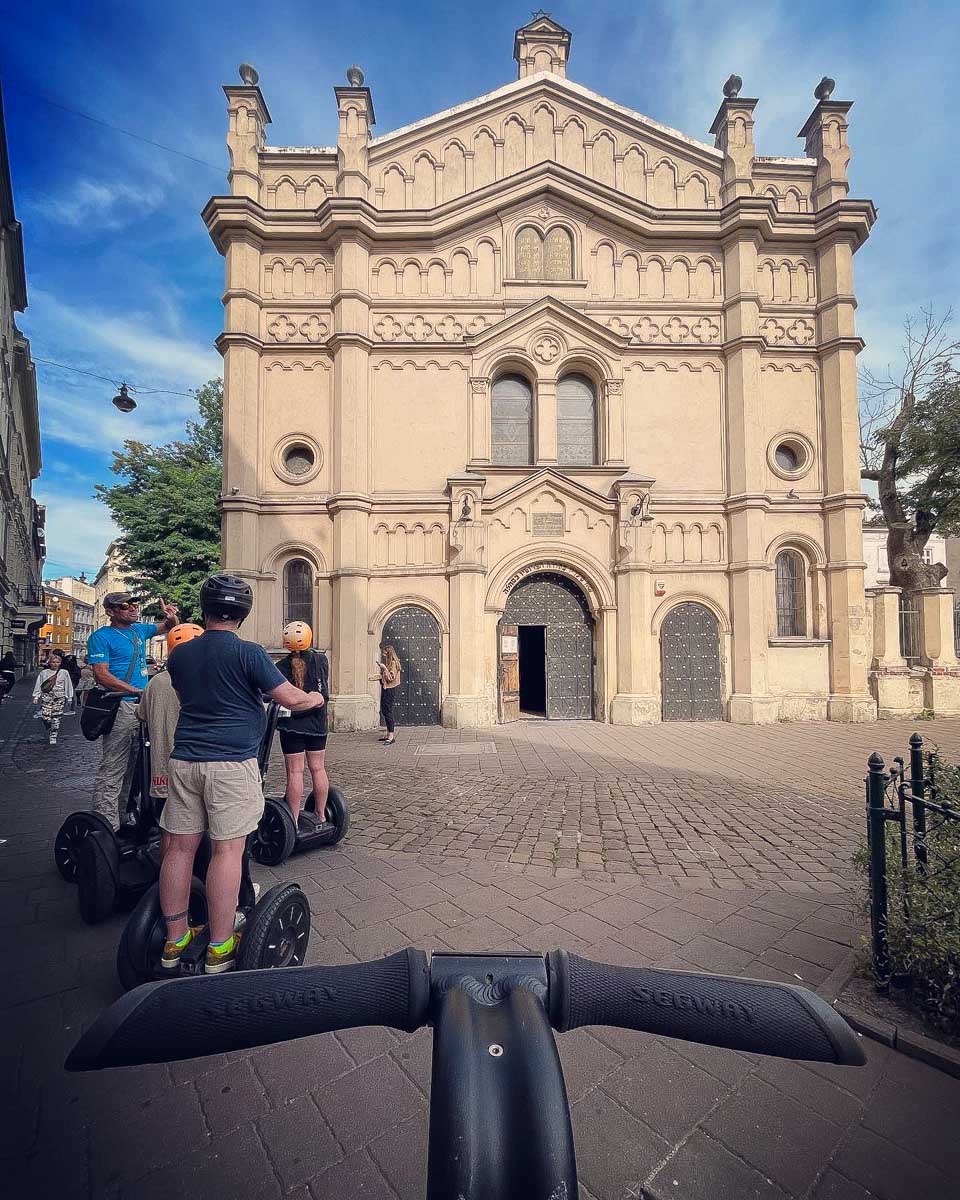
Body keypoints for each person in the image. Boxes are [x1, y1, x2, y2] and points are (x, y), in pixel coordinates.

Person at [158, 574, 323, 974]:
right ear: (242, 613)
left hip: (185, 761)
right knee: (226, 851)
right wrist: (314, 697)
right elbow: (291, 698)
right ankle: (219, 944)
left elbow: (193, 697)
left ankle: (175, 938)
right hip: (231, 763)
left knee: (179, 849)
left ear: (206, 609)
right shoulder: (249, 653)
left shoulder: (179, 656)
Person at [87, 592, 180, 830]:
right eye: (125, 606)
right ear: (110, 611)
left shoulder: (139, 630)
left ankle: (124, 815)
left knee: (137, 767)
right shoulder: (101, 637)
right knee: (114, 766)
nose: (132, 609)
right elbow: (102, 674)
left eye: (134, 604)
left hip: (142, 706)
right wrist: (137, 691)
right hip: (121, 705)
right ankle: (106, 826)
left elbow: (169, 628)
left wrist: (170, 616)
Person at [137, 624, 204, 805]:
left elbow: (141, 714)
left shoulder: (156, 681)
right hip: (201, 761)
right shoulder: (211, 676)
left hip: (165, 765)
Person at [275, 621, 329, 825]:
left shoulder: (280, 666)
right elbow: (323, 691)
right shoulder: (320, 660)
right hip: (317, 725)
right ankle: (322, 815)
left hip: (292, 726)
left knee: (295, 773)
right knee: (318, 769)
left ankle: (294, 820)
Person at [32, 649, 74, 746]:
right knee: (45, 716)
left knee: (56, 717)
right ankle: (48, 724)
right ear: (50, 663)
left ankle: (53, 735)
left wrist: (69, 697)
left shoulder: (64, 672)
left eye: (57, 662)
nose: (55, 664)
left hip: (59, 697)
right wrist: (36, 696)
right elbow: (39, 684)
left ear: (60, 663)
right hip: (47, 696)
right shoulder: (44, 673)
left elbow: (68, 685)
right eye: (53, 662)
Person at [375, 644, 402, 746]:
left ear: (389, 653)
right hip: (386, 688)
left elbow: (391, 678)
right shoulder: (389, 662)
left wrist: (384, 668)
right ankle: (388, 734)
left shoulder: (393, 663)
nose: (383, 654)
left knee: (388, 711)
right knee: (385, 710)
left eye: (385, 652)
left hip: (389, 690)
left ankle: (391, 736)